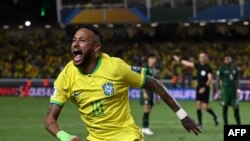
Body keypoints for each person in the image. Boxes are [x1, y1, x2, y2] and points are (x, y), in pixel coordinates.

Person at [44, 26, 201, 141]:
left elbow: (153, 83)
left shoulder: (115, 67)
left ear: (96, 47)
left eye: (82, 40)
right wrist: (65, 137)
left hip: (126, 137)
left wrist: (182, 115)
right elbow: (49, 120)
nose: (75, 44)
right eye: (74, 40)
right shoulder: (66, 76)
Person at [173, 53, 219, 129]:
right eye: (200, 57)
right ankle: (200, 124)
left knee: (205, 107)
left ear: (206, 58)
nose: (202, 58)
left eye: (203, 57)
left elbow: (210, 79)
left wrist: (204, 87)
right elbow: (188, 63)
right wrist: (180, 60)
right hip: (199, 87)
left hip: (205, 88)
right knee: (198, 105)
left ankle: (215, 116)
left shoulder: (208, 68)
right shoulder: (198, 66)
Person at [216, 55, 241, 125]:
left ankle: (239, 124)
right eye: (226, 59)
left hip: (233, 90)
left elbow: (237, 80)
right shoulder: (221, 69)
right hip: (225, 91)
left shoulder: (235, 68)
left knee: (236, 107)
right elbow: (217, 80)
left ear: (231, 59)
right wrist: (218, 91)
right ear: (224, 61)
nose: (227, 60)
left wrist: (238, 90)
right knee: (225, 108)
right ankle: (226, 124)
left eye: (229, 59)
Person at [140, 53, 160, 135]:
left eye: (154, 58)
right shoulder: (145, 68)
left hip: (152, 92)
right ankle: (144, 127)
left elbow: (156, 84)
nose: (154, 60)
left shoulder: (155, 71)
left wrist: (157, 96)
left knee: (149, 110)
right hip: (146, 91)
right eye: (152, 58)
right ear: (148, 59)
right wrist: (144, 92)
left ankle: (145, 127)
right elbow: (141, 80)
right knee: (146, 109)